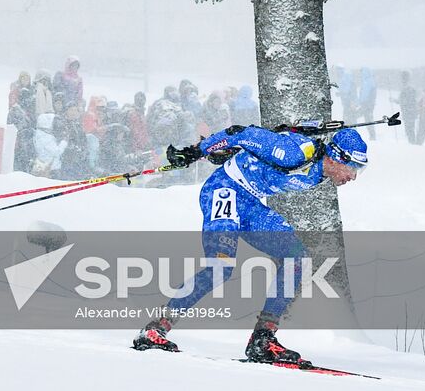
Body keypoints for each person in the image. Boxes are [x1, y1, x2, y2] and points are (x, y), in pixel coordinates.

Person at [132, 122, 368, 366]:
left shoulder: (320, 169)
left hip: (250, 204)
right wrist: (197, 151)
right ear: (337, 157)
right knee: (220, 267)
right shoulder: (293, 153)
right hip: (224, 191)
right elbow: (240, 133)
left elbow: (275, 146)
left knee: (297, 258)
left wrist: (292, 131)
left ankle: (263, 340)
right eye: (352, 168)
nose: (353, 176)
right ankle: (155, 330)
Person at [398, 71, 418, 144]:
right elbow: (404, 100)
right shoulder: (407, 88)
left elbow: (408, 101)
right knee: (409, 130)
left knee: (410, 130)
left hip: (409, 112)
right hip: (408, 112)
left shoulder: (409, 88)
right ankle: (412, 143)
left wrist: (402, 102)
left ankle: (412, 144)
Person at [358, 67, 377, 139]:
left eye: (361, 72)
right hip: (369, 104)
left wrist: (359, 102)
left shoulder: (367, 82)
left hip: (367, 104)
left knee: (368, 120)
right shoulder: (369, 80)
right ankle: (372, 135)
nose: (360, 74)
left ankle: (372, 136)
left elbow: (364, 94)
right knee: (368, 119)